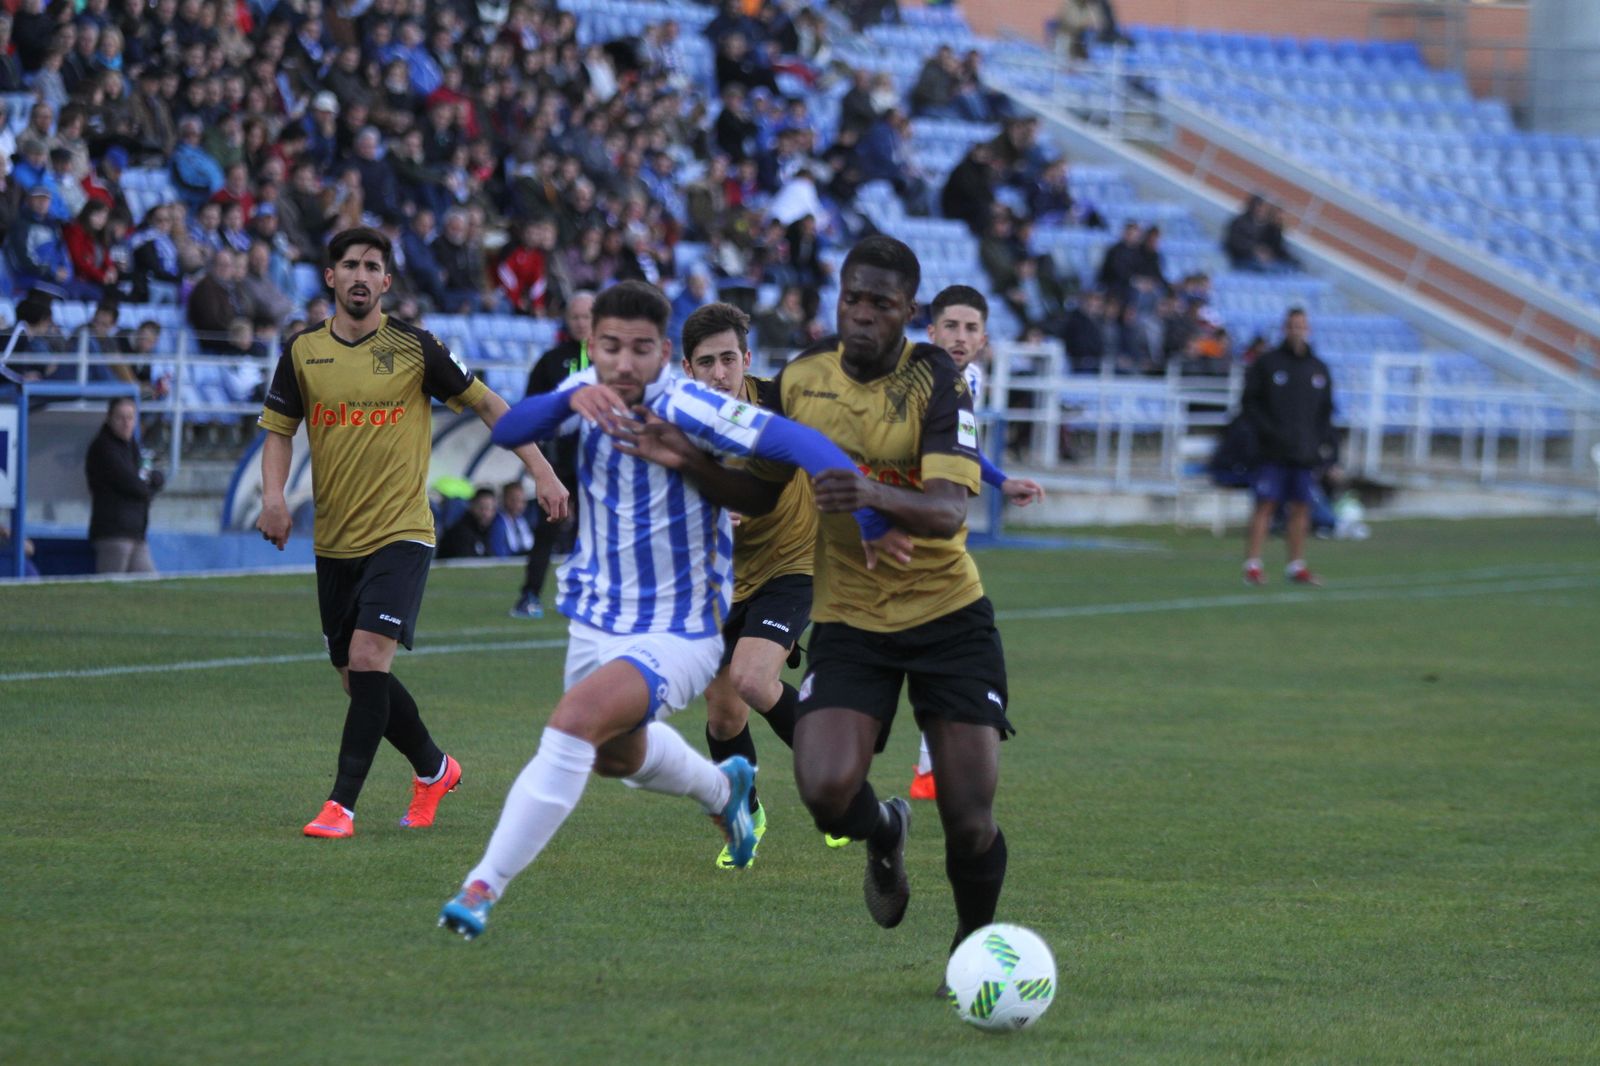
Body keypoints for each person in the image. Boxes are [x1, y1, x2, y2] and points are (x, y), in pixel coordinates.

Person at [437, 280, 905, 941]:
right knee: (614, 756)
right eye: (608, 347)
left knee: (578, 721)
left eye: (638, 349)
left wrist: (864, 513)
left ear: (662, 354)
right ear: (592, 347)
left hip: (688, 623)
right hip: (599, 617)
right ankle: (725, 793)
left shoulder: (699, 408)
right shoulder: (587, 396)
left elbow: (803, 444)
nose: (623, 363)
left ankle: (482, 886)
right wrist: (570, 397)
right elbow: (511, 427)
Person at [623, 239, 1015, 974]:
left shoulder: (939, 381)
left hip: (946, 616)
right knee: (827, 790)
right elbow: (762, 490)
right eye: (852, 299)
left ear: (909, 312)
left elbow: (948, 510)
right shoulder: (804, 380)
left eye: (882, 303)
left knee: (968, 817)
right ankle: (883, 832)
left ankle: (973, 950)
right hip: (852, 619)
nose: (864, 314)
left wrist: (868, 493)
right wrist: (690, 463)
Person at [255, 226, 569, 841]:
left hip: (403, 530)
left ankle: (340, 806)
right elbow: (279, 431)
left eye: (373, 266)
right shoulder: (301, 352)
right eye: (350, 265)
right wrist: (273, 496)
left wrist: (544, 471)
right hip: (334, 540)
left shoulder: (416, 346)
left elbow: (488, 404)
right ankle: (434, 768)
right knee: (356, 677)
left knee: (371, 660)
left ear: (386, 282)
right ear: (330, 277)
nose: (361, 276)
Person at [907, 285, 1044, 803]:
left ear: (983, 340)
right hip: (895, 528)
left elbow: (962, 448)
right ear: (931, 332)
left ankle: (929, 769)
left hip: (937, 539)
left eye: (970, 329)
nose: (960, 337)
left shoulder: (971, 381)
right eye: (951, 327)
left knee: (946, 642)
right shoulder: (910, 379)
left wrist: (1001, 481)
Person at [509, 290, 594, 619]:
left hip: (598, 464)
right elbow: (530, 409)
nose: (581, 323)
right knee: (548, 528)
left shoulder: (612, 361)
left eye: (587, 316)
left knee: (594, 531)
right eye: (575, 316)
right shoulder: (551, 360)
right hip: (558, 461)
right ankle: (529, 595)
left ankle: (589, 595)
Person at [1241, 307, 1336, 587]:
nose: (1297, 330)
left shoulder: (1318, 368)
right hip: (1273, 451)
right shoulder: (1268, 364)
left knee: (1301, 507)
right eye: (1292, 325)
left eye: (1302, 325)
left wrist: (1323, 445)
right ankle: (1253, 565)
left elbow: (1325, 412)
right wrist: (1268, 433)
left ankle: (1296, 565)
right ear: (1285, 328)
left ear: (1308, 329)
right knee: (1265, 505)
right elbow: (1250, 404)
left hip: (1304, 452)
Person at [85, 395, 164, 574]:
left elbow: (150, 476)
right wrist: (150, 486)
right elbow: (133, 485)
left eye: (130, 418)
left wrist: (151, 482)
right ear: (109, 418)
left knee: (148, 587)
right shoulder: (104, 448)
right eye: (120, 418)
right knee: (110, 588)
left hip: (136, 533)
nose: (126, 423)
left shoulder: (130, 446)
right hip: (114, 534)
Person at [436, 486, 497, 559]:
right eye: (481, 507)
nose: (485, 513)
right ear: (471, 506)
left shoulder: (486, 531)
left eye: (489, 508)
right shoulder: (460, 533)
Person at [489, 480, 535, 558]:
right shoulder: (497, 523)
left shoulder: (522, 521)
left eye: (522, 501)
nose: (518, 504)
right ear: (503, 499)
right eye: (514, 500)